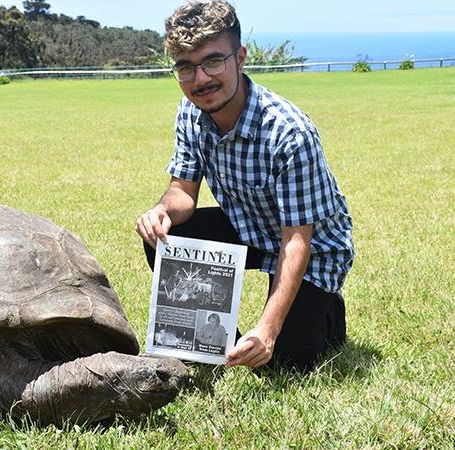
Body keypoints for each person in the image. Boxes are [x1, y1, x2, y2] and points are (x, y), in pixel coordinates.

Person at [135, 0, 353, 371]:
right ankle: (216, 344)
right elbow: (182, 193)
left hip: (312, 247)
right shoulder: (191, 111)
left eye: (213, 61)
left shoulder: (289, 132)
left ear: (240, 57)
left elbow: (297, 239)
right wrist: (161, 211)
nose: (200, 79)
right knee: (167, 235)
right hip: (249, 225)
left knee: (284, 361)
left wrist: (268, 330)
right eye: (186, 67)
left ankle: (326, 310)